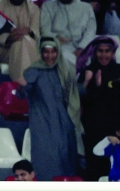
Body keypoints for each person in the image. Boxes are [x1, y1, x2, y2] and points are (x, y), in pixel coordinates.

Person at [20, 38, 83, 180]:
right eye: (46, 52)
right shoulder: (33, 71)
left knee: (66, 157)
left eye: (53, 52)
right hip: (43, 121)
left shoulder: (63, 69)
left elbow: (72, 93)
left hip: (64, 122)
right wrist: (21, 87)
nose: (50, 56)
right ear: (41, 53)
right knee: (47, 157)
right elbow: (24, 91)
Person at [77, 36, 120, 180]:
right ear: (95, 52)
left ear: (113, 53)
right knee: (95, 165)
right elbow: (82, 100)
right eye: (100, 51)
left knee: (116, 165)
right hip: (94, 127)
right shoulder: (88, 71)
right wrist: (94, 84)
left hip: (116, 126)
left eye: (107, 51)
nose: (104, 54)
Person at [0, 0, 40, 83]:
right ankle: (26, 85)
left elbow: (36, 32)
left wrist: (29, 31)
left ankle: (22, 84)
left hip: (27, 47)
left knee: (20, 43)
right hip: (2, 50)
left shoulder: (34, 9)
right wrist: (9, 38)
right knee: (20, 44)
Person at [41, 0, 97, 66]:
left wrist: (82, 48)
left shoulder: (86, 7)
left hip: (82, 45)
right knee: (65, 57)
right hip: (59, 45)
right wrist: (55, 37)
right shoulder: (48, 6)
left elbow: (90, 31)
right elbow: (44, 29)